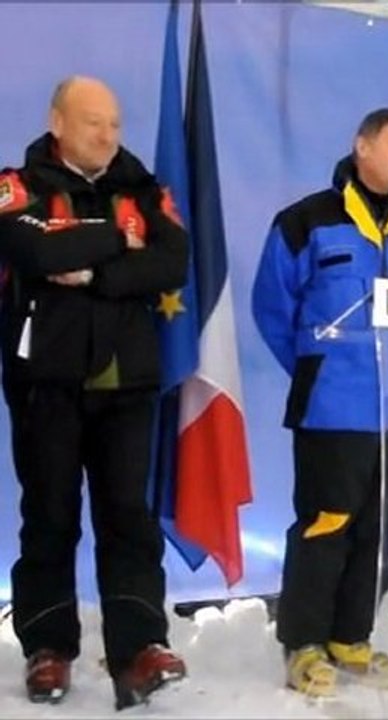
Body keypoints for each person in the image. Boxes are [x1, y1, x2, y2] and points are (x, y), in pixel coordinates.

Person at [0, 76, 189, 708]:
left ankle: (138, 647)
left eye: (114, 124)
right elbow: (25, 245)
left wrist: (86, 267)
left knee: (128, 518)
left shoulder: (145, 190)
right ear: (58, 122)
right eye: (92, 124)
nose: (108, 136)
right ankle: (47, 648)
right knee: (50, 517)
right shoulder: (18, 186)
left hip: (127, 383)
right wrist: (117, 238)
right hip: (44, 385)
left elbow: (170, 261)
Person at [251, 108, 388, 697]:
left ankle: (350, 635)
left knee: (385, 529)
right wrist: (318, 368)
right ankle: (304, 642)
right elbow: (272, 307)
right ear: (362, 146)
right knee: (326, 525)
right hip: (334, 408)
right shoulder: (307, 220)